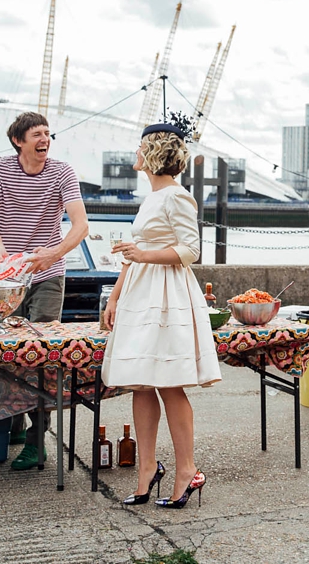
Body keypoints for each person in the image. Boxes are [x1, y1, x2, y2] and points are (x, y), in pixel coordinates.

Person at [101, 120, 221, 509]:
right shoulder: (151, 198)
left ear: (152, 153)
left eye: (139, 148)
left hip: (168, 296)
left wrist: (145, 255)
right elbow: (134, 251)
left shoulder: (177, 197)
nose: (135, 154)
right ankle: (147, 469)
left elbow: (190, 251)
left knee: (170, 382)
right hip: (139, 292)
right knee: (140, 382)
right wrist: (115, 297)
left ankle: (187, 469)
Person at [0, 111, 89, 471]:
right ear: (19, 141)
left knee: (41, 355)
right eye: (37, 135)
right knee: (5, 352)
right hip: (9, 277)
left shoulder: (62, 172)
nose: (45, 140)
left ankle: (36, 441)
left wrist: (53, 254)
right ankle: (11, 422)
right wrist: (0, 253)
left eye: (48, 134)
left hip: (49, 273)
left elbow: (81, 225)